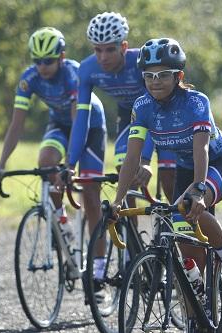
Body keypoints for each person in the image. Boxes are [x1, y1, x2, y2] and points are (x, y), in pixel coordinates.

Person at [110, 38, 222, 304]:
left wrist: (198, 189)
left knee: (189, 204)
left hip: (220, 162)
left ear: (178, 76)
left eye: (162, 75)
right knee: (185, 243)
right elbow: (131, 158)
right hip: (187, 167)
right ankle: (198, 297)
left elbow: (202, 151)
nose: (155, 81)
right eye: (148, 76)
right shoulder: (142, 107)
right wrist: (117, 200)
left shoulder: (196, 102)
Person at [0, 27, 106, 277]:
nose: (42, 66)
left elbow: (79, 119)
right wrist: (0, 165)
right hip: (59, 125)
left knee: (90, 195)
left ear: (61, 57)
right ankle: (62, 221)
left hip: (89, 126)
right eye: (37, 61)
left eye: (49, 61)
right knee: (45, 163)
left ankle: (98, 269)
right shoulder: (29, 79)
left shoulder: (73, 74)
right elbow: (16, 124)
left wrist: (70, 162)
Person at [68, 12, 176, 202]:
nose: (103, 57)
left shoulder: (140, 64)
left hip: (165, 113)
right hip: (130, 115)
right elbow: (81, 120)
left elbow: (153, 112)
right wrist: (70, 164)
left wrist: (145, 160)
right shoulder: (87, 69)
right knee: (125, 169)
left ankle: (179, 223)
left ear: (124, 47)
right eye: (97, 50)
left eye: (110, 50)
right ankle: (130, 229)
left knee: (169, 179)